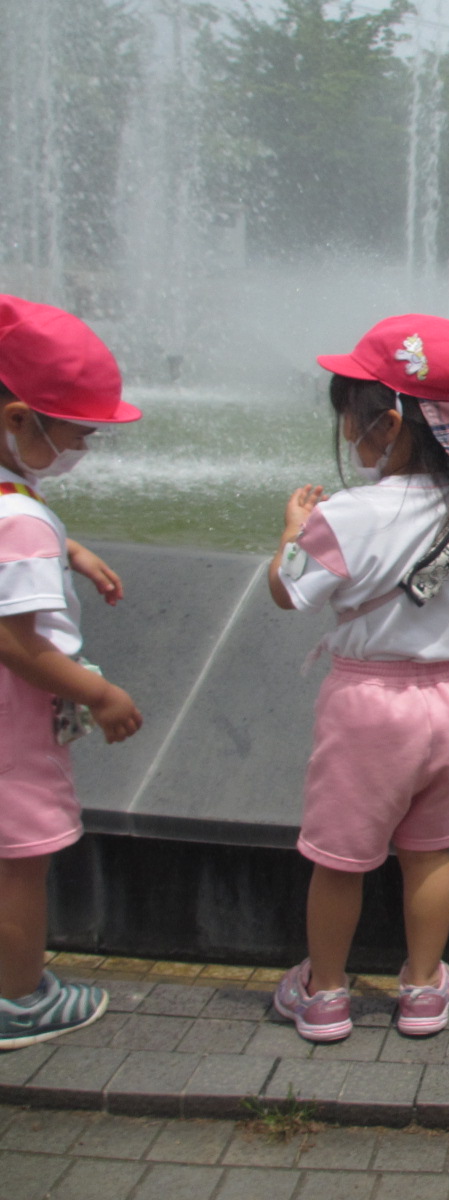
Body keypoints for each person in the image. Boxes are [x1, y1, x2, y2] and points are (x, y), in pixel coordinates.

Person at [269, 314, 449, 1042]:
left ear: (385, 425)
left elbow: (289, 591)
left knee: (340, 859)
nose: (349, 434)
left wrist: (292, 531)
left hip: (368, 706)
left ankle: (324, 994)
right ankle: (421, 990)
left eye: (352, 420)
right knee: (430, 852)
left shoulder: (349, 515)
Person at [0, 296, 144, 1049]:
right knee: (21, 858)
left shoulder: (12, 503)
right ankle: (19, 1000)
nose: (84, 445)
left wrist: (70, 549)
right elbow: (16, 643)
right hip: (14, 723)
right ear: (19, 418)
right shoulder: (19, 520)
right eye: (78, 432)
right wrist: (100, 693)